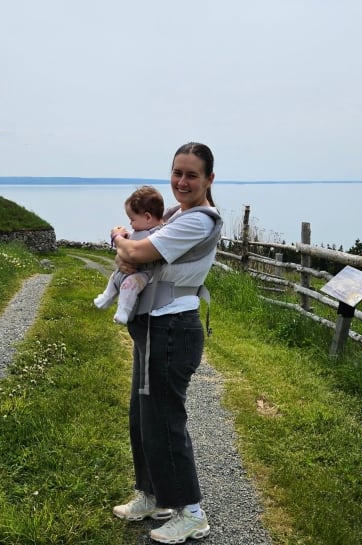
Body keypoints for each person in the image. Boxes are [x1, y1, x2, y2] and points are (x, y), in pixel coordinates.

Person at [108, 142, 222, 544]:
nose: (182, 181)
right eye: (177, 172)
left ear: (209, 179)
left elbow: (138, 248)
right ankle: (154, 497)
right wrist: (127, 251)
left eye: (192, 174)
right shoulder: (175, 214)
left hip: (173, 330)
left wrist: (121, 242)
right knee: (143, 417)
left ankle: (191, 512)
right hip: (154, 328)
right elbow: (136, 251)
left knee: (165, 421)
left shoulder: (198, 221)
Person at [94, 185, 165, 323]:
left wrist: (118, 239)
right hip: (132, 268)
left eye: (132, 219)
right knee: (115, 276)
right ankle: (107, 296)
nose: (130, 222)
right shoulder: (140, 230)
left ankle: (123, 311)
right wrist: (126, 236)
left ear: (148, 217)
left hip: (144, 272)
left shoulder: (158, 234)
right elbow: (133, 241)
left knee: (130, 286)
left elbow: (137, 249)